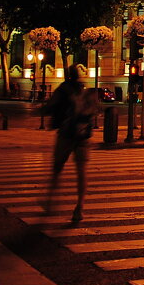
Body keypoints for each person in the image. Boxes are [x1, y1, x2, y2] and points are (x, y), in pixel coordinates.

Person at [39, 64, 100, 225]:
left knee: (57, 169)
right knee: (82, 173)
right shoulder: (84, 89)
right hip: (83, 136)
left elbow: (51, 107)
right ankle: (79, 207)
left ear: (68, 75)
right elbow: (95, 110)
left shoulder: (63, 89)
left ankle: (50, 201)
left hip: (66, 134)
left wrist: (41, 111)